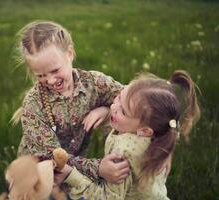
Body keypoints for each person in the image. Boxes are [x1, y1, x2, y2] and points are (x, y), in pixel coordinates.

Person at [11, 20, 129, 183]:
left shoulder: (93, 83)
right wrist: (98, 168)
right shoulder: (33, 104)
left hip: (73, 173)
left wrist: (106, 110)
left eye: (55, 70)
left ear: (70, 53)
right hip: (37, 177)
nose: (51, 80)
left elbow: (133, 98)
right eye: (41, 75)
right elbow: (50, 158)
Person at [58, 70, 200, 199]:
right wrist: (105, 112)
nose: (114, 107)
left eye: (124, 111)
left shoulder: (123, 155)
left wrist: (71, 175)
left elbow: (107, 197)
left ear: (144, 131)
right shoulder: (163, 132)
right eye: (119, 98)